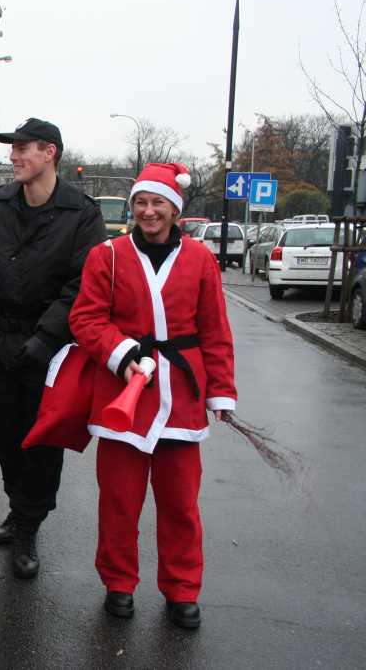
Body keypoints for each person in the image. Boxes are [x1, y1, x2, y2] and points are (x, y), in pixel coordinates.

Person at [69, 162, 236, 629]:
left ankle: (182, 590)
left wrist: (220, 391)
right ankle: (119, 584)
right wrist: (122, 354)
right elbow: (86, 319)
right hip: (122, 395)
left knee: (180, 504)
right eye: (141, 203)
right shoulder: (109, 256)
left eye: (157, 203)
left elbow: (215, 331)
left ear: (174, 210)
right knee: (119, 501)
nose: (148, 211)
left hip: (181, 394)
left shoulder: (201, 260)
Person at [0, 118, 106, 579]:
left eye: (23, 148)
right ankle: (19, 505)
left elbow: (83, 284)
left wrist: (45, 339)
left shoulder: (82, 212)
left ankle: (27, 525)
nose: (14, 156)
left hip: (50, 350)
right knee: (2, 425)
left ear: (50, 153)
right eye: (13, 148)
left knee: (41, 438)